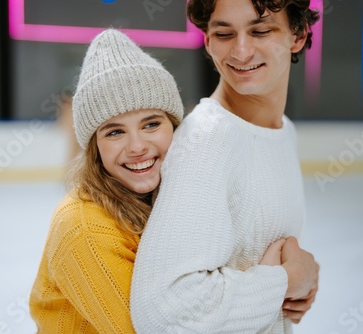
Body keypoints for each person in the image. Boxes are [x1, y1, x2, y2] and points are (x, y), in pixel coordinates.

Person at [130, 0, 320, 333]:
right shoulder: (207, 140)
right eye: (223, 33)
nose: (241, 51)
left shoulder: (283, 132)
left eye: (260, 30)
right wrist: (284, 283)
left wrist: (294, 294)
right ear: (207, 40)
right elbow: (164, 311)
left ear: (299, 35)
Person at [29, 29, 184, 333]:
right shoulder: (84, 227)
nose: (137, 146)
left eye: (151, 124)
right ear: (94, 147)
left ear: (175, 125)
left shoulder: (175, 196)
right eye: (115, 132)